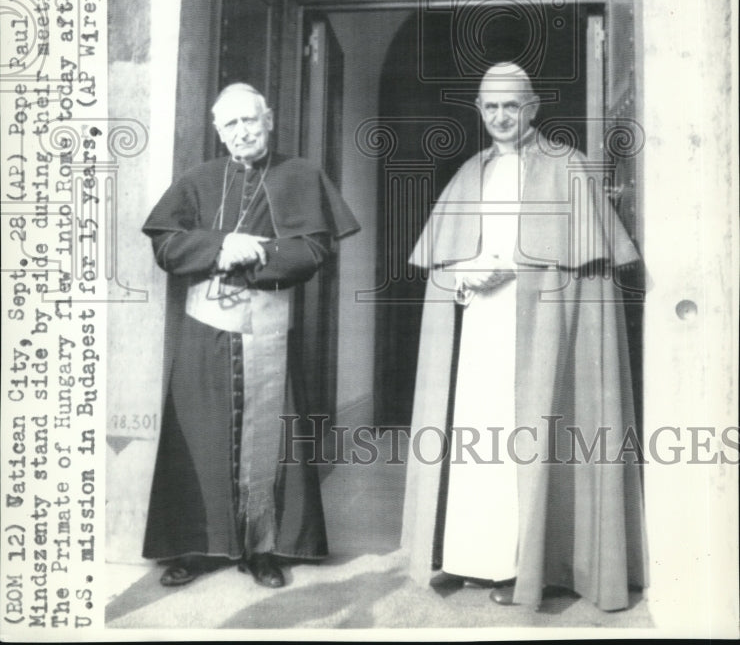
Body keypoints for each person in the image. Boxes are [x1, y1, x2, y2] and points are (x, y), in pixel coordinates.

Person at [401, 63, 648, 611]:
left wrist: (515, 266)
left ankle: (529, 566)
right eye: (490, 107)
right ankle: (475, 559)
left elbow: (584, 267)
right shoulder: (471, 171)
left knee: (530, 441)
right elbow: (446, 259)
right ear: (479, 111)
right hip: (483, 330)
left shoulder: (569, 167)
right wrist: (465, 273)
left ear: (533, 108)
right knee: (478, 443)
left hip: (542, 329)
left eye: (511, 106)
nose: (500, 117)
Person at [141, 83, 359, 589]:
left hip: (268, 329)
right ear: (219, 132)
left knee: (272, 438)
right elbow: (167, 246)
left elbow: (315, 251)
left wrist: (259, 255)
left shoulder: (301, 175)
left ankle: (265, 549)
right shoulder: (197, 180)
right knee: (196, 435)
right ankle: (195, 545)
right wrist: (222, 245)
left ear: (270, 119)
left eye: (250, 120)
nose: (242, 131)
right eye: (231, 124)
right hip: (205, 332)